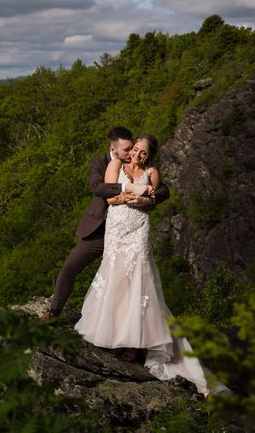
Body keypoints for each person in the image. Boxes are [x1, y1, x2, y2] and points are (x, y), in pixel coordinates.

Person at [74, 135, 225, 396]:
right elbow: (109, 199)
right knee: (115, 278)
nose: (137, 155)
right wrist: (128, 196)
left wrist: (145, 201)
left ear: (149, 155)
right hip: (117, 228)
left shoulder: (152, 172)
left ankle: (135, 343)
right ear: (129, 148)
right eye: (135, 149)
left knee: (139, 282)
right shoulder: (116, 166)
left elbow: (155, 200)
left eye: (143, 152)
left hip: (138, 229)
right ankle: (112, 333)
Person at [44, 127, 169, 319]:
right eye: (128, 149)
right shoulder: (100, 163)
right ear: (114, 148)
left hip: (132, 232)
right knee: (70, 267)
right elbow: (98, 188)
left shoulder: (143, 167)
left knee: (127, 283)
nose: (131, 154)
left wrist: (149, 199)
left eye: (134, 149)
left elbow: (163, 190)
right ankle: (54, 311)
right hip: (99, 230)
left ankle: (127, 328)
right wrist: (129, 188)